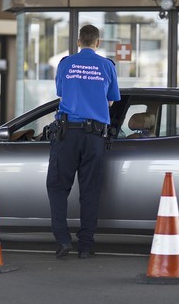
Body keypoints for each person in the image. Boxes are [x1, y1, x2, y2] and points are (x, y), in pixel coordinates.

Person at [46, 25, 121, 259]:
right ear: (97, 43)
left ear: (79, 41)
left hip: (67, 134)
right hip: (94, 137)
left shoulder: (66, 64)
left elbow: (61, 93)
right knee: (90, 190)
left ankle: (62, 240)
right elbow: (111, 102)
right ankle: (86, 245)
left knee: (58, 187)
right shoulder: (107, 66)